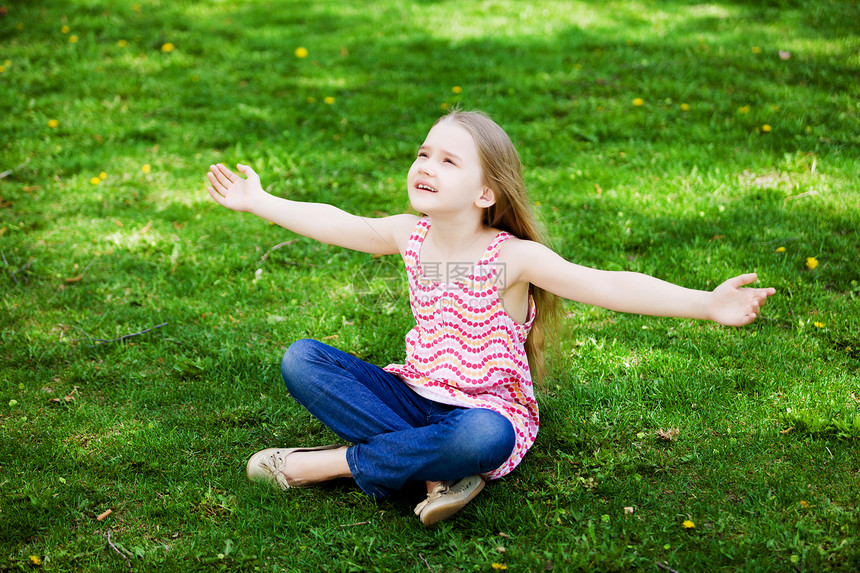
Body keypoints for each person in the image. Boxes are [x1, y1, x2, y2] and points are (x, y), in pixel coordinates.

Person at [205, 110, 775, 526]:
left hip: (484, 410)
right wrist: (262, 201)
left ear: (484, 192)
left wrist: (704, 303)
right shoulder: (411, 233)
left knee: (484, 435)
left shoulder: (512, 258)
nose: (425, 166)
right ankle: (439, 469)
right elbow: (338, 221)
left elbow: (607, 285)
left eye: (448, 160)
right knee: (303, 359)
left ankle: (326, 465)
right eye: (424, 153)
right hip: (417, 391)